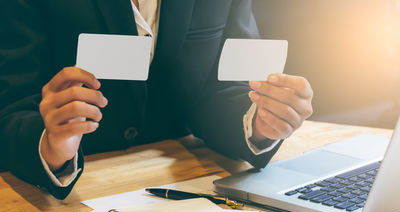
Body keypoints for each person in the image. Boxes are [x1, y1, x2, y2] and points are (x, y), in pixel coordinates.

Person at [0, 0, 313, 200]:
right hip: (65, 201)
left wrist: (260, 122)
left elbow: (219, 88)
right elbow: (10, 110)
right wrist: (53, 144)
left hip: (190, 192)